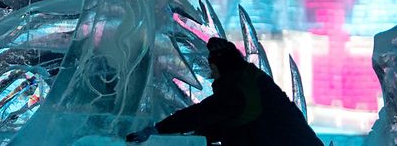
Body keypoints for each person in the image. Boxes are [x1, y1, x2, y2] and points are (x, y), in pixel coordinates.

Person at [126, 37, 323, 146]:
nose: (210, 72)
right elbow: (233, 125)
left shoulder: (240, 88)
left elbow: (203, 112)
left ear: (220, 66)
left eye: (211, 66)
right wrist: (200, 134)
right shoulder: (250, 81)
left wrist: (157, 129)